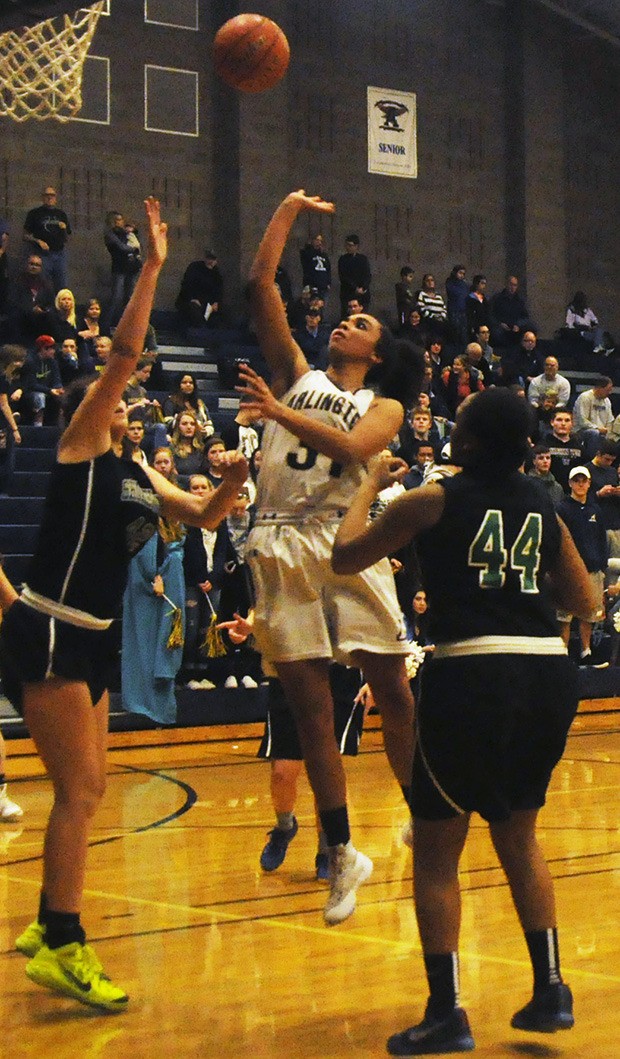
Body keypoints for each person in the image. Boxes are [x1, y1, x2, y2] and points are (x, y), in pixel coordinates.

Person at [0, 197, 248, 1012]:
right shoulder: (82, 443)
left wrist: (234, 482)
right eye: (120, 396)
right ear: (97, 404)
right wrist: (151, 268)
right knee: (80, 791)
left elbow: (203, 515)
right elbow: (126, 353)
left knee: (90, 787)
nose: (133, 402)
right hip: (53, 628)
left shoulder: (136, 471)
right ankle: (64, 942)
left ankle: (48, 918)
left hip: (94, 638)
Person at [332, 387, 594, 1056]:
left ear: (467, 440)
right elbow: (585, 600)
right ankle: (551, 988)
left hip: (472, 672)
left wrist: (367, 484)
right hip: (546, 674)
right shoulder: (546, 504)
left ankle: (446, 1012)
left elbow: (346, 554)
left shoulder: (432, 498)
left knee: (437, 849)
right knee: (519, 834)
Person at [238, 189, 423, 926]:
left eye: (362, 321)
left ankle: (422, 810)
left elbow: (352, 448)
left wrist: (277, 412)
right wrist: (285, 209)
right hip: (279, 538)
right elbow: (260, 284)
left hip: (344, 539)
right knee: (311, 711)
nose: (346, 319)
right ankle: (342, 850)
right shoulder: (298, 372)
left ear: (376, 353)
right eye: (346, 316)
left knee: (393, 688)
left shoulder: (385, 406)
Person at [556, 466, 607, 662]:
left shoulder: (596, 510)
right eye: (576, 480)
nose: (580, 484)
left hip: (592, 571)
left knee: (589, 616)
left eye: (583, 480)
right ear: (570, 483)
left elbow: (601, 539)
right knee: (565, 617)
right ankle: (562, 655)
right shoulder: (561, 508)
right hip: (568, 572)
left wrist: (601, 566)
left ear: (589, 483)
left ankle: (586, 652)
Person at [23, 186, 71, 292]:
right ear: (43, 197)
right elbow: (25, 236)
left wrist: (64, 229)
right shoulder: (34, 213)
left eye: (52, 195)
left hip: (59, 254)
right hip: (42, 254)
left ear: (56, 198)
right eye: (47, 195)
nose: (50, 197)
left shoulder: (61, 214)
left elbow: (67, 237)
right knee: (43, 284)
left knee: (62, 286)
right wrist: (38, 241)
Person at [104, 211, 142, 327]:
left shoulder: (125, 232)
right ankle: (108, 324)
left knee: (130, 297)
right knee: (116, 297)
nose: (119, 222)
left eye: (120, 220)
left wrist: (133, 231)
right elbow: (121, 247)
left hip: (131, 267)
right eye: (116, 220)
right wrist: (133, 249)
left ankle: (127, 324)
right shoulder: (110, 234)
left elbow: (135, 238)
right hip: (119, 267)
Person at [175, 248, 223, 329]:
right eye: (209, 258)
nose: (211, 261)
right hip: (191, 301)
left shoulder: (216, 273)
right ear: (205, 258)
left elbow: (218, 289)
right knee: (194, 311)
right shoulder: (195, 268)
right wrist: (192, 298)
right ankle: (200, 328)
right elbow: (187, 285)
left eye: (213, 259)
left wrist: (216, 302)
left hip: (207, 304)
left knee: (219, 316)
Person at [0, 344, 24, 494]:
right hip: (2, 424)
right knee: (6, 459)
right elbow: (3, 405)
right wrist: (15, 429)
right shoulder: (2, 378)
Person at [338, 233, 371, 317]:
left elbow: (367, 275)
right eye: (347, 245)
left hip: (362, 294)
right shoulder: (343, 259)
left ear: (356, 246)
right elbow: (343, 276)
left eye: (350, 245)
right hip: (348, 292)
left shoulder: (363, 259)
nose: (348, 247)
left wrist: (363, 288)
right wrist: (355, 288)